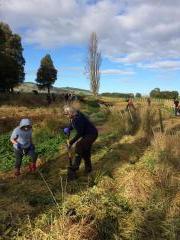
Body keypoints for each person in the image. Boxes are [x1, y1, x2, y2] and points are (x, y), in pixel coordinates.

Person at [63, 106, 98, 179]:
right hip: (87, 134)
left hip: (91, 134)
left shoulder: (78, 118)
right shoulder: (74, 116)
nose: (66, 116)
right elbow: (72, 123)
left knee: (79, 145)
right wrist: (69, 128)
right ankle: (88, 169)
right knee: (86, 151)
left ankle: (74, 167)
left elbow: (80, 133)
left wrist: (71, 142)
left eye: (66, 114)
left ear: (70, 113)